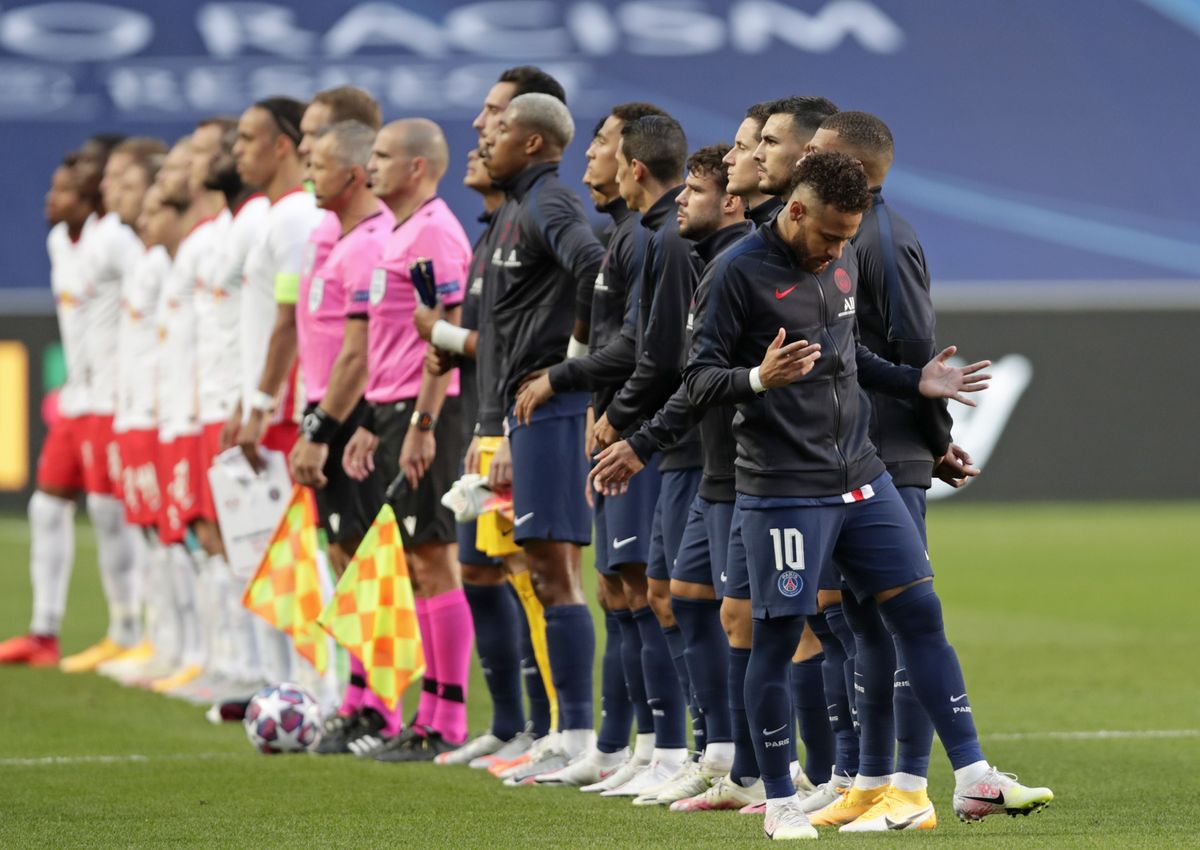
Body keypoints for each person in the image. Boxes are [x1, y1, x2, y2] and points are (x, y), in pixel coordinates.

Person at [684, 150, 1052, 840]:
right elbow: (698, 378)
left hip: (860, 474)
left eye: (848, 235)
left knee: (920, 611)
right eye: (828, 234)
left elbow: (847, 357)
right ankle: (782, 801)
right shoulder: (735, 273)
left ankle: (974, 775)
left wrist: (916, 385)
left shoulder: (843, 261)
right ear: (795, 211)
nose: (838, 249)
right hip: (784, 490)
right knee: (778, 638)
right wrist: (757, 379)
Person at [797, 110, 980, 832]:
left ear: (858, 168)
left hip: (887, 451)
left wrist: (933, 441)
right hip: (842, 450)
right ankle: (868, 780)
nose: (807, 153)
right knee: (850, 620)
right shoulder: (829, 237)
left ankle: (909, 788)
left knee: (895, 621)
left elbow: (917, 353)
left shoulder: (884, 238)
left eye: (819, 148)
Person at [586, 143, 752, 807]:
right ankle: (709, 754)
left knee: (761, 614)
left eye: (697, 190)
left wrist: (636, 433)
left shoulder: (710, 260)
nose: (681, 199)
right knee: (677, 598)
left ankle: (777, 765)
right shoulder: (699, 256)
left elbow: (676, 369)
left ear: (731, 200)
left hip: (727, 463)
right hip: (695, 456)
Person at [512, 102, 667, 789]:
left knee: (646, 589)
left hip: (637, 436)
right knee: (616, 587)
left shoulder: (644, 240)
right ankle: (620, 746)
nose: (588, 158)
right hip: (609, 427)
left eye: (600, 144)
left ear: (631, 159)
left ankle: (667, 748)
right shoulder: (621, 237)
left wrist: (563, 378)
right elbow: (606, 334)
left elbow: (640, 351)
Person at [477, 91, 606, 781]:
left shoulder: (550, 202)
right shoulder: (517, 212)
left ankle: (579, 734)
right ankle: (563, 729)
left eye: (497, 131)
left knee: (557, 566)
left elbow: (595, 267)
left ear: (530, 142)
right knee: (538, 562)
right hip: (527, 411)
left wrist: (573, 360)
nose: (485, 139)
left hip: (554, 407)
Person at [0, 158, 104, 668]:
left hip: (118, 400)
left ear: (90, 198)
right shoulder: (61, 241)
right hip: (77, 398)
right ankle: (43, 633)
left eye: (63, 190)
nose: (50, 198)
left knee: (117, 516)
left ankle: (136, 630)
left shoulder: (116, 243)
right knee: (47, 506)